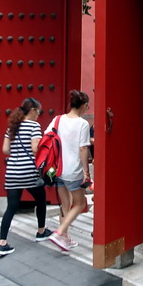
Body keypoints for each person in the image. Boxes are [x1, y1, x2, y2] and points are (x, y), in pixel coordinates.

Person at [0, 97, 51, 256]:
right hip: (29, 171)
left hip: (12, 172)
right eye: (38, 111)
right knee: (40, 199)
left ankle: (2, 243)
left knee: (11, 207)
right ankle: (41, 231)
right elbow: (35, 149)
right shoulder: (34, 126)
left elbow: (5, 150)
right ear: (33, 110)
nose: (39, 115)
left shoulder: (12, 127)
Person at [48, 90, 92, 252]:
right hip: (73, 170)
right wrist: (86, 172)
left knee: (65, 204)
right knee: (80, 203)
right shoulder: (82, 124)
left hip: (57, 168)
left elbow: (47, 138)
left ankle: (65, 238)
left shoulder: (57, 119)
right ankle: (59, 233)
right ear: (84, 105)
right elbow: (83, 148)